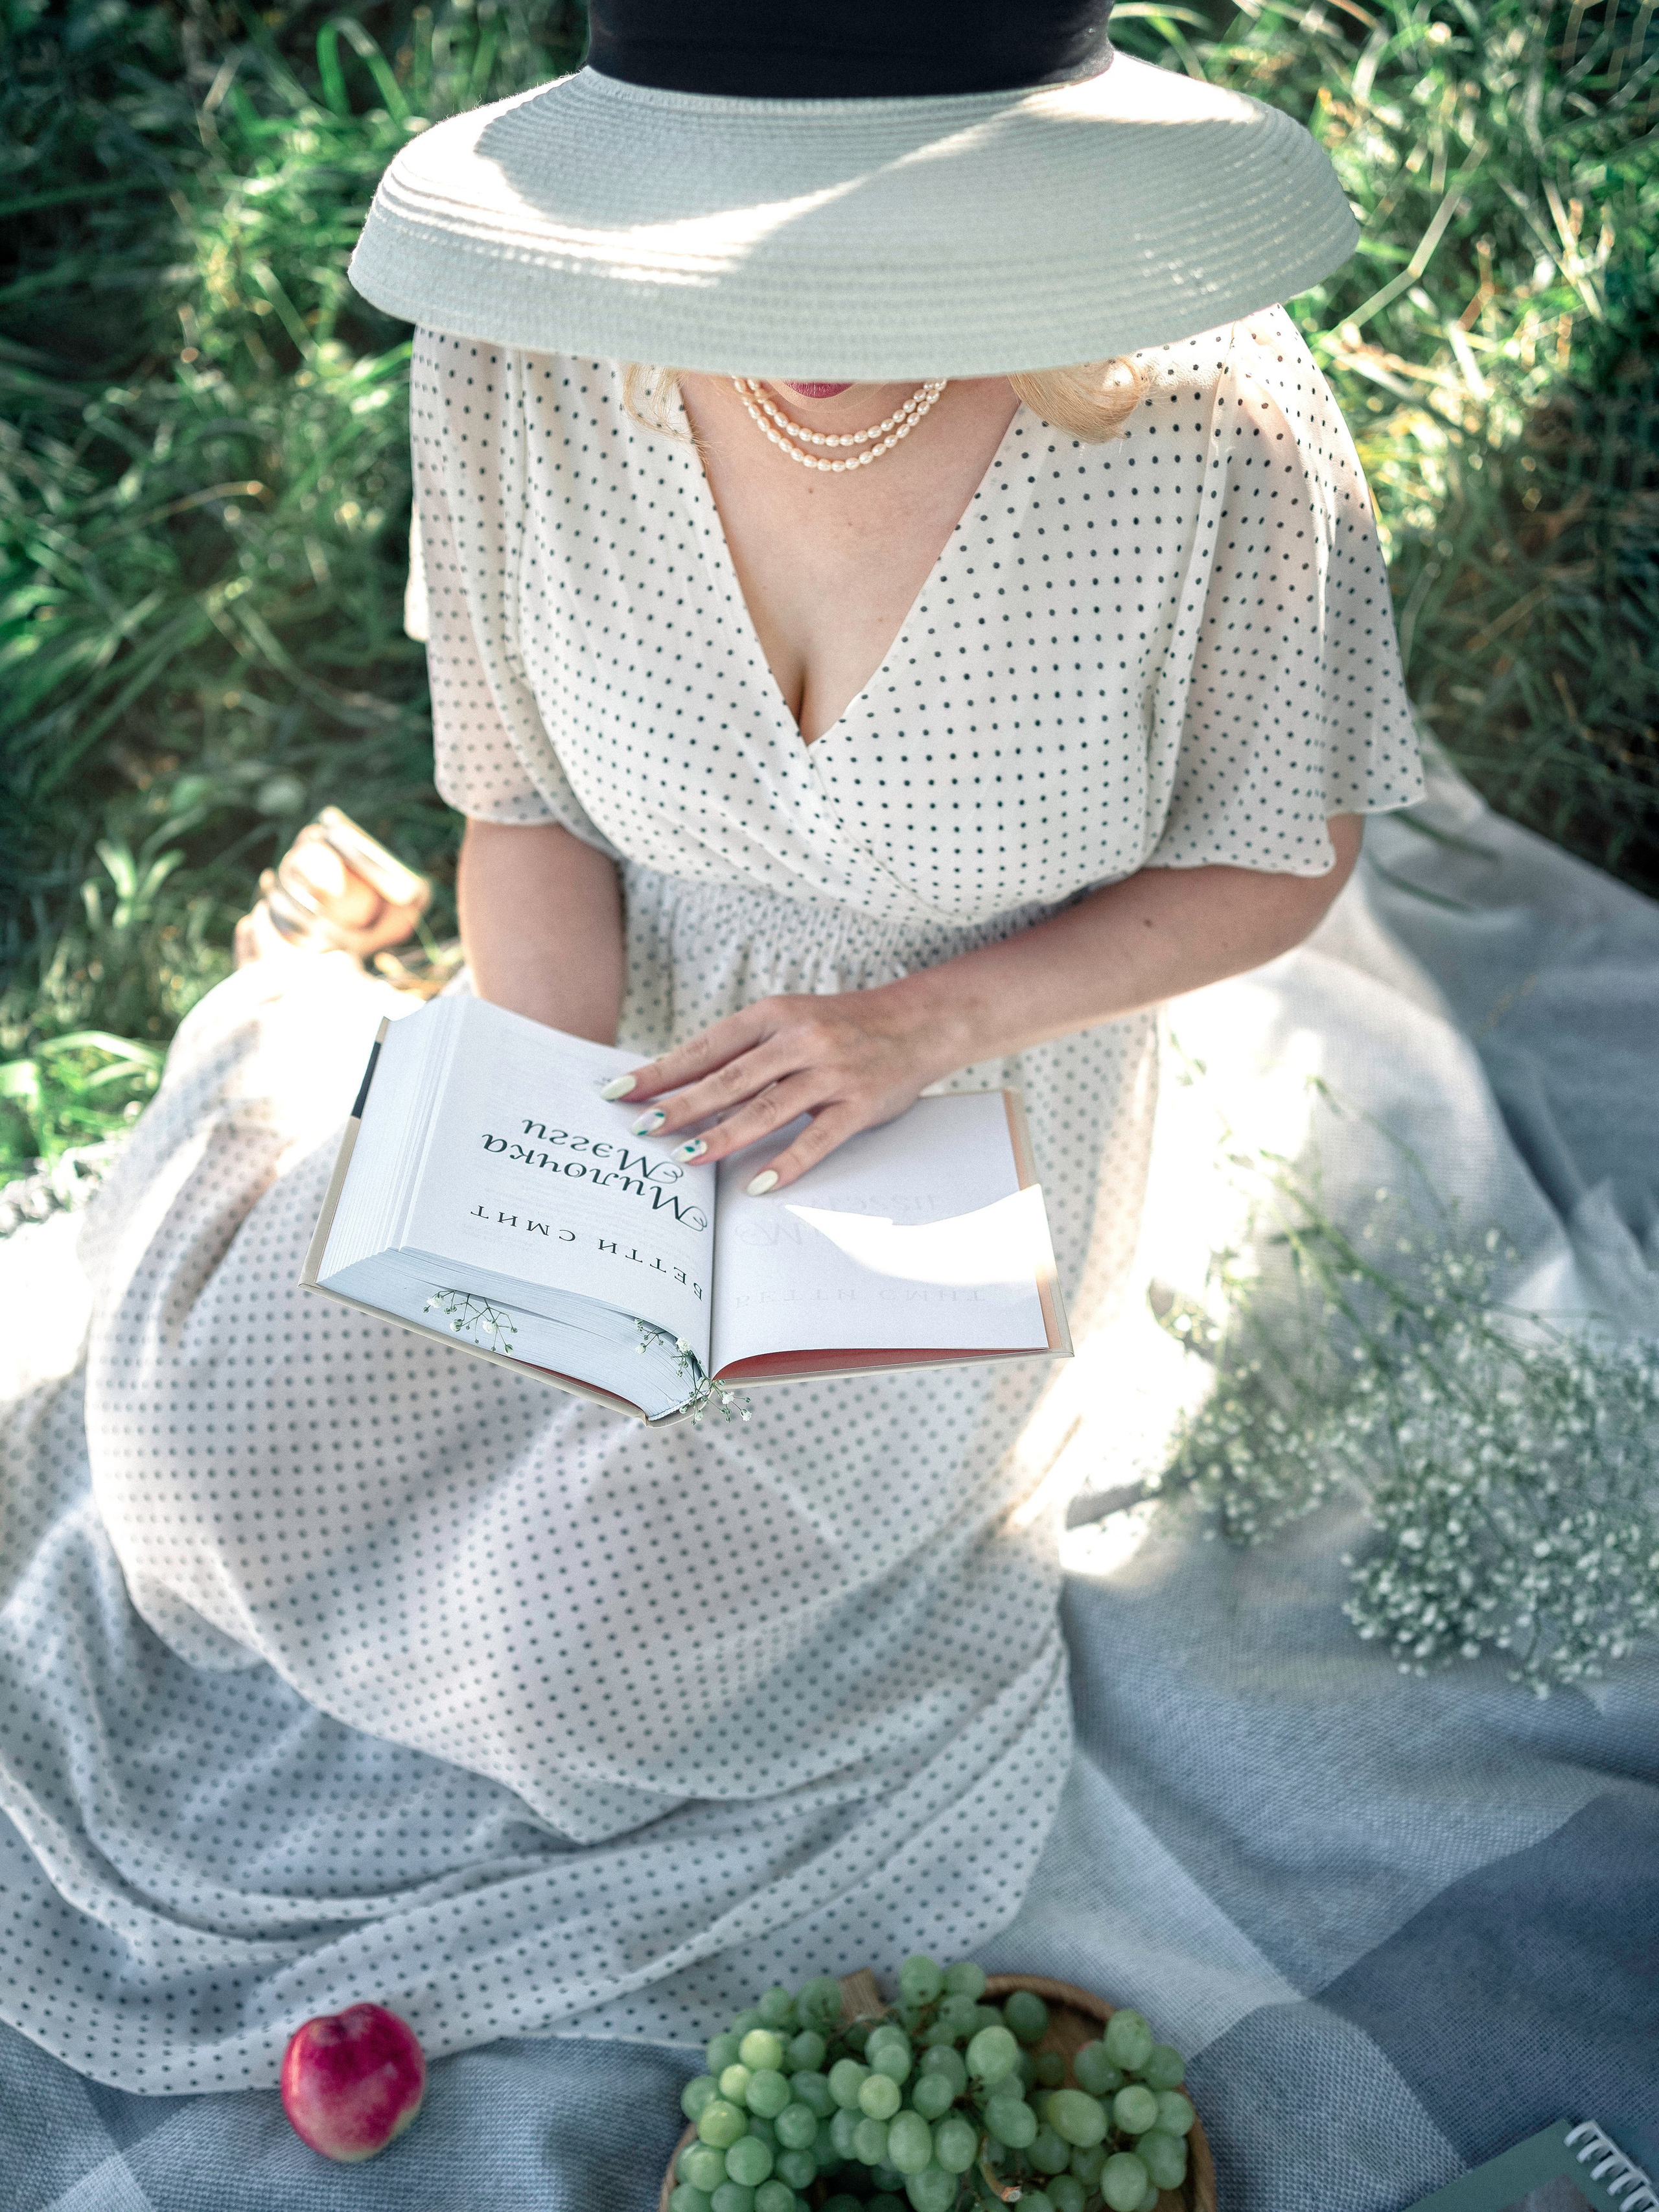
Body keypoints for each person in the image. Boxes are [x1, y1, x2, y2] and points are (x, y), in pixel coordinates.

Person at [1, 0, 1424, 2093]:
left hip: (970, 1102)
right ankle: (308, 1050)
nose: (807, 299)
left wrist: (922, 1022)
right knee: (198, 1489)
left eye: (892, 226)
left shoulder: (1211, 422)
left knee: (579, 1679)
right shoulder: (519, 354)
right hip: (596, 1047)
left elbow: (1279, 860)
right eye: (740, 219)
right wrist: (548, 1153)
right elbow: (524, 807)